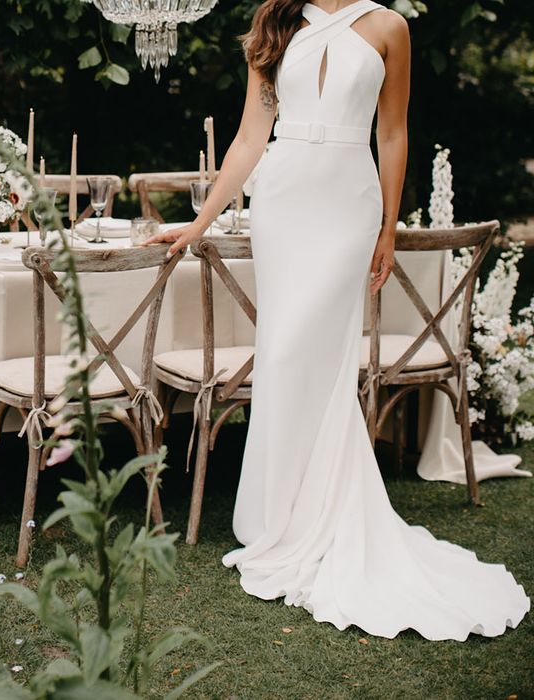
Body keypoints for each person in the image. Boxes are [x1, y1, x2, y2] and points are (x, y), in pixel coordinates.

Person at [142, 0, 529, 640]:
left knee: (317, 357)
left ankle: (317, 514)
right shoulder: (277, 20)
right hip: (284, 197)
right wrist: (200, 221)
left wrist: (388, 227)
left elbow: (393, 133)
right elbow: (248, 139)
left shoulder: (389, 27)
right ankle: (277, 520)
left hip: (349, 199)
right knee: (285, 352)